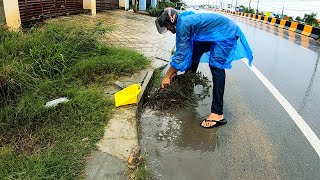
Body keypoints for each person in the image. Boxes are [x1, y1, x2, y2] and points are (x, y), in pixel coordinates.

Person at [155, 8, 253, 128]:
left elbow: (180, 55)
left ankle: (217, 114)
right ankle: (187, 89)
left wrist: (167, 76)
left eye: (167, 27)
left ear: (171, 21)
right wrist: (174, 70)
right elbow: (184, 52)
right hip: (215, 32)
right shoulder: (183, 20)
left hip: (225, 32)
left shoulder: (183, 25)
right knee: (194, 54)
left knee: (216, 66)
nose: (169, 30)